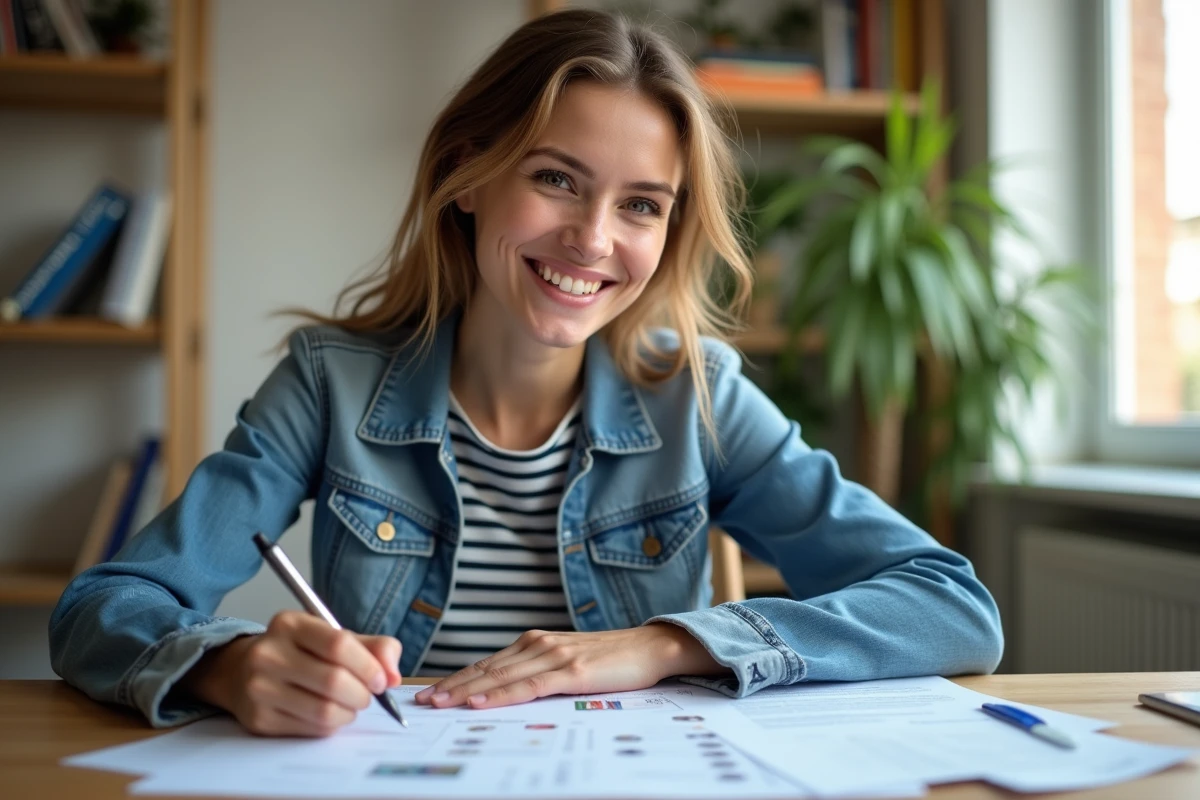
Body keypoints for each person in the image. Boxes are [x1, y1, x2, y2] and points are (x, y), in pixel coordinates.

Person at [50, 8, 1003, 738]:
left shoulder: (698, 398)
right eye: (555, 178)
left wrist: (665, 645)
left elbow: (952, 607)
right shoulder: (327, 387)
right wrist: (228, 667)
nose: (592, 240)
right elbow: (103, 610)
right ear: (467, 176)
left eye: (641, 204)